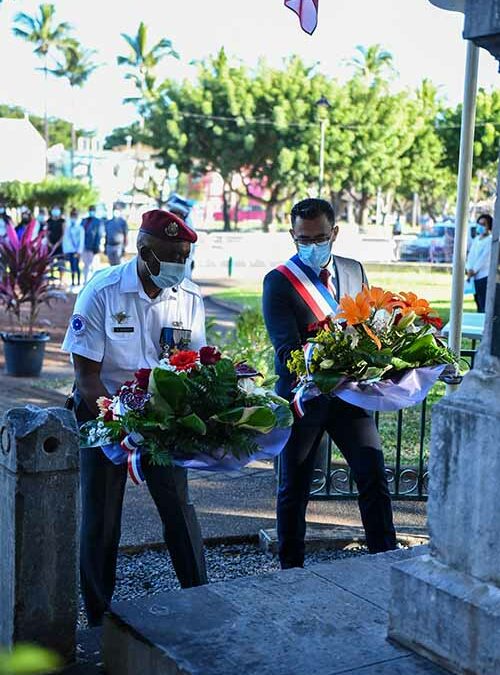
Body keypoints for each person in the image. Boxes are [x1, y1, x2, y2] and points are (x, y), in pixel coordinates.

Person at [62, 208, 208, 626]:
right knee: (102, 519)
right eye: (172, 256)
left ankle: (201, 597)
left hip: (163, 421)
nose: (180, 265)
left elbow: (192, 366)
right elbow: (86, 377)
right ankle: (98, 617)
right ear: (144, 252)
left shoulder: (189, 297)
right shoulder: (102, 292)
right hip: (101, 414)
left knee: (178, 508)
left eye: (186, 256)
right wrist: (125, 427)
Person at [262, 198, 397, 570]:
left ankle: (384, 560)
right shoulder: (278, 283)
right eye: (303, 239)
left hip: (350, 398)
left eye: (320, 237)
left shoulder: (354, 271)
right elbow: (287, 349)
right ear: (292, 235)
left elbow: (368, 329)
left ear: (334, 233)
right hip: (303, 399)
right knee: (294, 488)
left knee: (372, 475)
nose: (312, 245)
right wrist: (329, 367)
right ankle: (291, 570)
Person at [466, 213, 493, 312]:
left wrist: (474, 270)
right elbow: (471, 255)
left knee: (484, 303)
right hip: (474, 277)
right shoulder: (477, 239)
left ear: (489, 226)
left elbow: (484, 258)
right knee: (477, 301)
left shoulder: (490, 240)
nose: (481, 226)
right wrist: (469, 268)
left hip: (484, 276)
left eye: (484, 224)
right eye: (479, 224)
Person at [63, 208, 85, 288]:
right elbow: (66, 239)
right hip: (70, 250)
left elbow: (81, 240)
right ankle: (73, 282)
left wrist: (79, 251)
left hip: (77, 250)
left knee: (77, 266)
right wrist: (66, 250)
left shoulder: (80, 228)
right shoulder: (68, 228)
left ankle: (78, 282)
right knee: (72, 266)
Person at [81, 205, 103, 284]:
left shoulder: (98, 221)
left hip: (93, 247)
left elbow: (99, 235)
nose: (91, 212)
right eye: (90, 210)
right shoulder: (84, 221)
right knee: (86, 264)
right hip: (84, 246)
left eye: (92, 210)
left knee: (93, 265)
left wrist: (96, 246)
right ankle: (85, 280)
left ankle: (93, 281)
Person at [47, 206, 66, 281]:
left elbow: (63, 234)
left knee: (61, 263)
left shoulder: (62, 221)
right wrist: (49, 243)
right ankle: (51, 279)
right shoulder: (49, 221)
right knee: (50, 263)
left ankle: (61, 280)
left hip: (60, 246)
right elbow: (47, 233)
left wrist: (58, 243)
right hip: (51, 245)